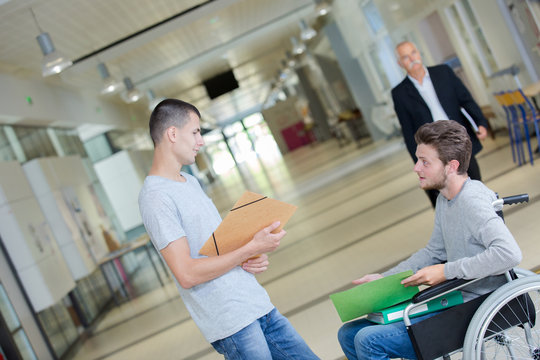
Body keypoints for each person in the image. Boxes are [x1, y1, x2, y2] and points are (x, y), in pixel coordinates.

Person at [138, 99, 319, 359]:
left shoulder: (188, 181)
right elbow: (187, 273)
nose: (200, 141)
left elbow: (216, 248)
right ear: (173, 134)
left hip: (256, 304)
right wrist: (249, 248)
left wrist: (249, 254)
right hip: (232, 322)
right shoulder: (156, 197)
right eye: (195, 132)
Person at [337, 120, 522, 360]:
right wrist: (384, 280)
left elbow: (509, 254)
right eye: (417, 160)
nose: (416, 168)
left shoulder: (472, 202)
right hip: (453, 297)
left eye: (425, 162)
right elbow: (433, 253)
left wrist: (446, 271)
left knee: (368, 340)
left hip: (476, 304)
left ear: (451, 166)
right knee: (349, 333)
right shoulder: (445, 199)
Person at [391, 41, 489, 208]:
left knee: (474, 185)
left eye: (413, 53)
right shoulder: (400, 93)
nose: (412, 59)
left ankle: (483, 215)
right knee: (444, 194)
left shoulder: (443, 72)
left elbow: (466, 99)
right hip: (433, 150)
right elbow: (408, 131)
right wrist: (420, 160)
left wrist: (480, 122)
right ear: (400, 63)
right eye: (406, 57)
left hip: (457, 140)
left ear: (419, 53)